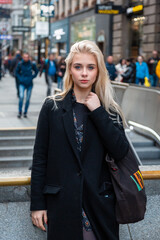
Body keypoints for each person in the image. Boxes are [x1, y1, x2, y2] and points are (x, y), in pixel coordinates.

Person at [30, 40, 129, 240]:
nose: (84, 73)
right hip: (62, 203)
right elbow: (40, 158)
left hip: (100, 205)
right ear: (70, 70)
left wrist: (98, 112)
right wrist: (37, 205)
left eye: (90, 67)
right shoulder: (52, 107)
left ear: (98, 71)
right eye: (78, 67)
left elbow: (120, 151)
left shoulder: (109, 110)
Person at [16, 52, 38, 118]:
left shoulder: (32, 64)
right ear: (23, 57)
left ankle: (25, 112)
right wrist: (20, 78)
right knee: (21, 97)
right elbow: (16, 72)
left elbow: (36, 71)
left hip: (29, 84)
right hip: (22, 83)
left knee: (28, 98)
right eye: (24, 57)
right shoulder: (20, 64)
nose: (26, 58)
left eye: (27, 57)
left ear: (29, 58)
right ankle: (20, 111)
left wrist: (32, 77)